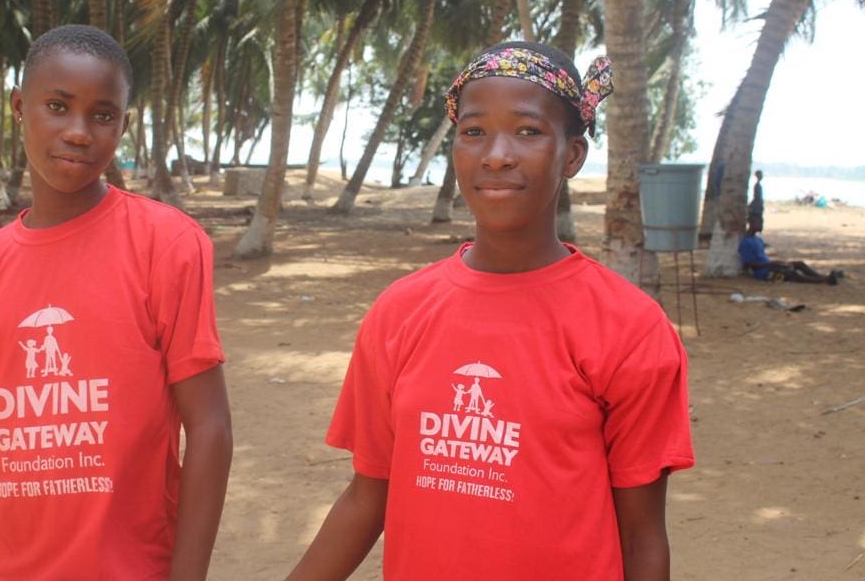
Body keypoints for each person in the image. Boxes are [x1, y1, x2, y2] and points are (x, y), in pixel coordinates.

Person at [286, 41, 694, 581]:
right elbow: (367, 498)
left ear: (572, 154)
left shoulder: (630, 329)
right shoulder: (400, 312)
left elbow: (642, 538)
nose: (495, 154)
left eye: (528, 131)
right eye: (474, 131)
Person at [0, 25, 232, 581]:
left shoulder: (165, 245)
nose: (78, 132)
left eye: (102, 114)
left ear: (122, 123)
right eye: (56, 106)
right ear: (20, 108)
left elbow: (210, 427)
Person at [739, 215, 839, 284]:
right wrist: (769, 264)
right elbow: (747, 264)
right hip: (763, 273)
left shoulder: (757, 239)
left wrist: (774, 263)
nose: (761, 225)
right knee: (791, 275)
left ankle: (820, 277)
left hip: (770, 266)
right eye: (759, 222)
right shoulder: (746, 242)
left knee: (799, 264)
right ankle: (823, 280)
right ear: (751, 223)